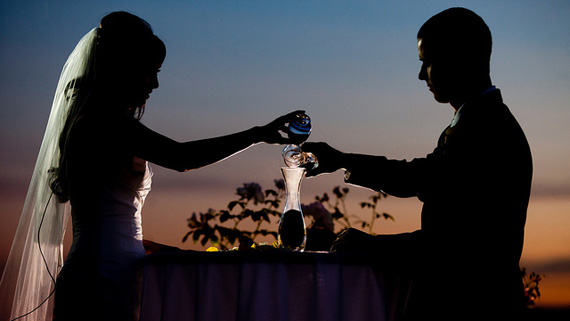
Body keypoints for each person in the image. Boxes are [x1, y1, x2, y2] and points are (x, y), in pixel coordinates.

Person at [0, 11, 303, 321]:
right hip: (102, 279)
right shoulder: (105, 123)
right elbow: (182, 157)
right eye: (149, 71)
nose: (156, 83)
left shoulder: (96, 122)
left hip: (117, 271)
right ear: (121, 68)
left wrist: (149, 246)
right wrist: (256, 134)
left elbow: (108, 213)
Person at [303, 7, 532, 320]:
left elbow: (459, 245)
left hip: (475, 305)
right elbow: (423, 177)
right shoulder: (481, 122)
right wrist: (341, 160)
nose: (421, 74)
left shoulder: (486, 129)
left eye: (428, 61)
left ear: (459, 57)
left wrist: (371, 246)